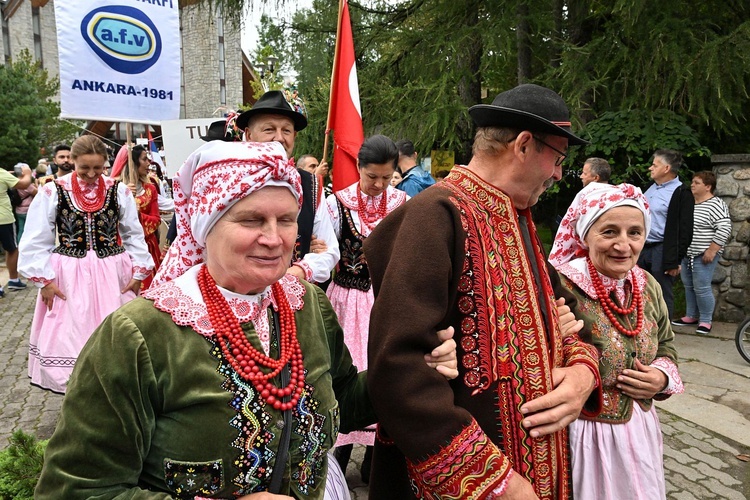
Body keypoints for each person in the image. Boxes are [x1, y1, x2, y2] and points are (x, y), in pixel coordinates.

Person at [34, 140, 457, 499]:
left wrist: (415, 366)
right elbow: (76, 489)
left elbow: (341, 402)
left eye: (286, 220)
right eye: (252, 219)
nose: (274, 239)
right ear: (206, 224)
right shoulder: (138, 335)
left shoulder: (306, 303)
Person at [364, 83, 602, 499]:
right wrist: (495, 484)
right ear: (525, 144)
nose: (560, 174)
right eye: (559, 158)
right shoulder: (434, 215)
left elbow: (571, 319)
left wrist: (583, 374)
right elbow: (398, 366)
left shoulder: (517, 218)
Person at [549, 182, 684, 500]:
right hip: (581, 433)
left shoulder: (647, 283)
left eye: (634, 233)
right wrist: (555, 336)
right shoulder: (560, 284)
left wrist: (661, 377)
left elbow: (666, 343)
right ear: (586, 235)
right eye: (609, 232)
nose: (623, 245)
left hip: (639, 430)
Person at [18, 135, 153, 394]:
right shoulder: (53, 190)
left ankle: (110, 391)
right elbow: (36, 239)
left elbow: (133, 235)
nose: (91, 174)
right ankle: (79, 394)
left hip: (112, 273)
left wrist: (138, 271)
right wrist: (44, 280)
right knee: (71, 332)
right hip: (69, 274)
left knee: (114, 330)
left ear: (106, 163)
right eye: (84, 168)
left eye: (97, 168)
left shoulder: (119, 190)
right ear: (74, 162)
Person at [325, 135, 409, 483]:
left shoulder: (403, 202)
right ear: (359, 168)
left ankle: (376, 463)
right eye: (372, 176)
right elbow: (326, 252)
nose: (378, 184)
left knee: (382, 371)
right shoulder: (335, 204)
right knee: (346, 375)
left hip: (385, 300)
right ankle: (337, 461)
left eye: (386, 178)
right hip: (345, 299)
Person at [228, 90, 339, 286]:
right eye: (269, 129)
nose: (279, 138)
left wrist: (299, 270)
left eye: (286, 130)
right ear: (248, 134)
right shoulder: (227, 181)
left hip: (292, 299)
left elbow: (330, 251)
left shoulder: (310, 186)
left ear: (294, 136)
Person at [672, 171, 732, 335]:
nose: (692, 185)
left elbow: (724, 228)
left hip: (704, 254)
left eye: (697, 182)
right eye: (692, 182)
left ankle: (706, 320)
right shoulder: (689, 203)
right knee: (688, 286)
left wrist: (712, 250)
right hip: (687, 254)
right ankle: (691, 316)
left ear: (707, 186)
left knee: (702, 287)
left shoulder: (716, 204)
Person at [638, 149, 694, 319]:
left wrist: (676, 259)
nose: (650, 168)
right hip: (641, 247)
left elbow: (685, 229)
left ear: (667, 168)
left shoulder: (682, 192)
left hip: (663, 250)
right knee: (638, 289)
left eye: (655, 165)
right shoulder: (649, 188)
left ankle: (664, 335)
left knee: (661, 293)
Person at [111, 144, 163, 289]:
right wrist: (123, 199)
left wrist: (138, 214)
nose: (149, 163)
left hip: (147, 247)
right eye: (144, 159)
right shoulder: (113, 189)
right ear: (132, 162)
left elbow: (156, 220)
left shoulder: (150, 188)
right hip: (121, 247)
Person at [0, 162, 33, 297]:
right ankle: (14, 279)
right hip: (4, 219)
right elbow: (24, 184)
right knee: (12, 249)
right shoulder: (1, 173)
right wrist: (28, 173)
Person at [13, 162, 38, 243]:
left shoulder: (15, 181)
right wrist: (36, 185)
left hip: (18, 210)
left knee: (21, 229)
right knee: (30, 230)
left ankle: (19, 246)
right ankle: (28, 245)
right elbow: (37, 193)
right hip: (28, 210)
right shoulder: (26, 184)